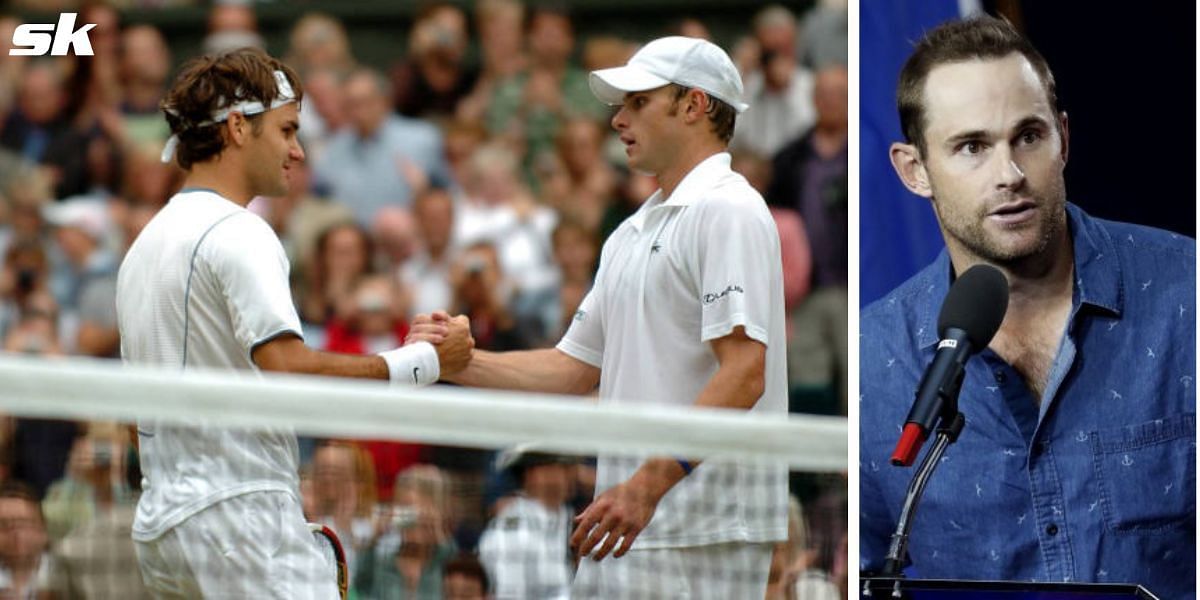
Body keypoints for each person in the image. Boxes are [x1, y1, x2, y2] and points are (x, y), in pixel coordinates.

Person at [433, 36, 789, 598]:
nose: (619, 119)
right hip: (628, 522)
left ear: (694, 105)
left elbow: (744, 372)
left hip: (699, 530)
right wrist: (457, 363)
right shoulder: (629, 231)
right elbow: (572, 368)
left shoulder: (729, 209)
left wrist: (647, 486)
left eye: (638, 102)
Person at [116, 48, 474, 599]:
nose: (298, 150)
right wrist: (423, 362)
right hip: (240, 522)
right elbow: (286, 366)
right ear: (238, 128)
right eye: (286, 130)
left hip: (164, 527)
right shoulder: (240, 231)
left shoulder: (144, 246)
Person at [858, 17, 1195, 598]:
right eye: (972, 147)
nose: (1009, 174)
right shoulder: (875, 358)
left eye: (1029, 137)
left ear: (1063, 138)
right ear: (914, 171)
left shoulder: (1187, 294)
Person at [477, 447, 577, 599]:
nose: (562, 477)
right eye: (552, 469)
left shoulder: (567, 520)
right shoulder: (512, 531)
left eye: (565, 469)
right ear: (530, 476)